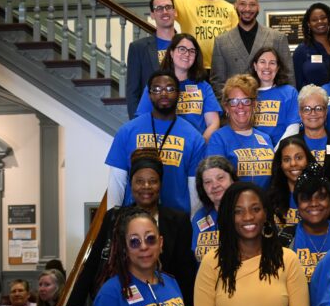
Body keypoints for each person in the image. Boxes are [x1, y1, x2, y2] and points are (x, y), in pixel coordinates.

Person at [61, 148, 196, 306]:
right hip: (125, 304)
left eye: (152, 181)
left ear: (160, 184)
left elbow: (185, 272)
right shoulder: (114, 218)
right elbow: (92, 263)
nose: (146, 187)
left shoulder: (178, 220)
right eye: (139, 181)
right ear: (131, 185)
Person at [194, 182, 311, 306]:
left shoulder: (287, 259)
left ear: (265, 213)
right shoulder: (212, 262)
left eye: (255, 209)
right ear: (229, 217)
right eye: (238, 211)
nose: (248, 217)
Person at [105, 70, 206, 214]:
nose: (163, 93)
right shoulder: (127, 131)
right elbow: (117, 182)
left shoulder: (194, 137)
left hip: (176, 222)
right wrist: (113, 219)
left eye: (170, 89)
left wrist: (192, 226)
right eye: (157, 89)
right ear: (149, 94)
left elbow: (195, 190)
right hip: (134, 219)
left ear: (179, 94)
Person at [135, 33, 221, 141]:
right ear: (171, 52)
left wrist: (199, 146)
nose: (187, 54)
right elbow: (142, 120)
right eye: (182, 49)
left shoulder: (203, 86)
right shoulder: (155, 84)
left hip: (196, 148)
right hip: (163, 146)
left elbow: (213, 123)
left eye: (192, 51)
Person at [211, 0, 294, 99]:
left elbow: (288, 77)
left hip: (273, 107)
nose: (247, 9)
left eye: (252, 5)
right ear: (235, 6)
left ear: (258, 7)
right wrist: (227, 109)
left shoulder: (277, 38)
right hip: (236, 109)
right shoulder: (221, 42)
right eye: (243, 4)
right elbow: (218, 83)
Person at [278, 163, 330, 282]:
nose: (314, 203)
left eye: (321, 197)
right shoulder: (283, 239)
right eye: (306, 198)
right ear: (298, 205)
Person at [206, 74, 275, 190]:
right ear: (226, 107)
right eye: (234, 101)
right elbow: (216, 183)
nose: (240, 106)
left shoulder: (266, 138)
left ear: (254, 105)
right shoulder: (218, 139)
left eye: (246, 100)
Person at [161, 0, 238, 73]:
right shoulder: (186, 3)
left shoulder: (231, 9)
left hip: (221, 68)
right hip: (192, 65)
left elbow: (236, 41)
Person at [290, 84, 330, 192]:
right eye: (307, 109)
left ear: (326, 111)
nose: (313, 113)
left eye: (319, 108)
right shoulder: (289, 145)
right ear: (300, 113)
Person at [126, 0, 177, 119]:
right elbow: (133, 92)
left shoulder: (188, 46)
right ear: (152, 15)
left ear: (175, 12)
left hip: (183, 118)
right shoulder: (138, 48)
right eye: (159, 8)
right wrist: (136, 124)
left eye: (168, 7)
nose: (164, 11)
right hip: (150, 119)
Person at [250, 47, 301, 146]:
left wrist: (276, 152)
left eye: (272, 63)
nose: (267, 67)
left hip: (281, 152)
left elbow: (293, 127)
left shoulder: (289, 92)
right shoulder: (246, 93)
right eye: (262, 62)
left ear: (277, 68)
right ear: (255, 66)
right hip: (252, 152)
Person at [193, 155, 238, 263]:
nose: (215, 185)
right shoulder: (199, 217)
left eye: (220, 178)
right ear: (202, 188)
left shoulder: (247, 213)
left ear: (233, 180)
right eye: (208, 182)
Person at [267, 137, 316, 228]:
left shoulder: (321, 196)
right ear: (280, 164)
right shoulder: (270, 198)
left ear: (307, 160)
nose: (293, 163)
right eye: (286, 159)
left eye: (299, 158)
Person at [293, 3, 330, 90]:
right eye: (314, 20)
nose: (320, 22)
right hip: (313, 101)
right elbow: (296, 82)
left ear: (329, 20)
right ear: (309, 24)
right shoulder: (302, 50)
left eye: (323, 18)